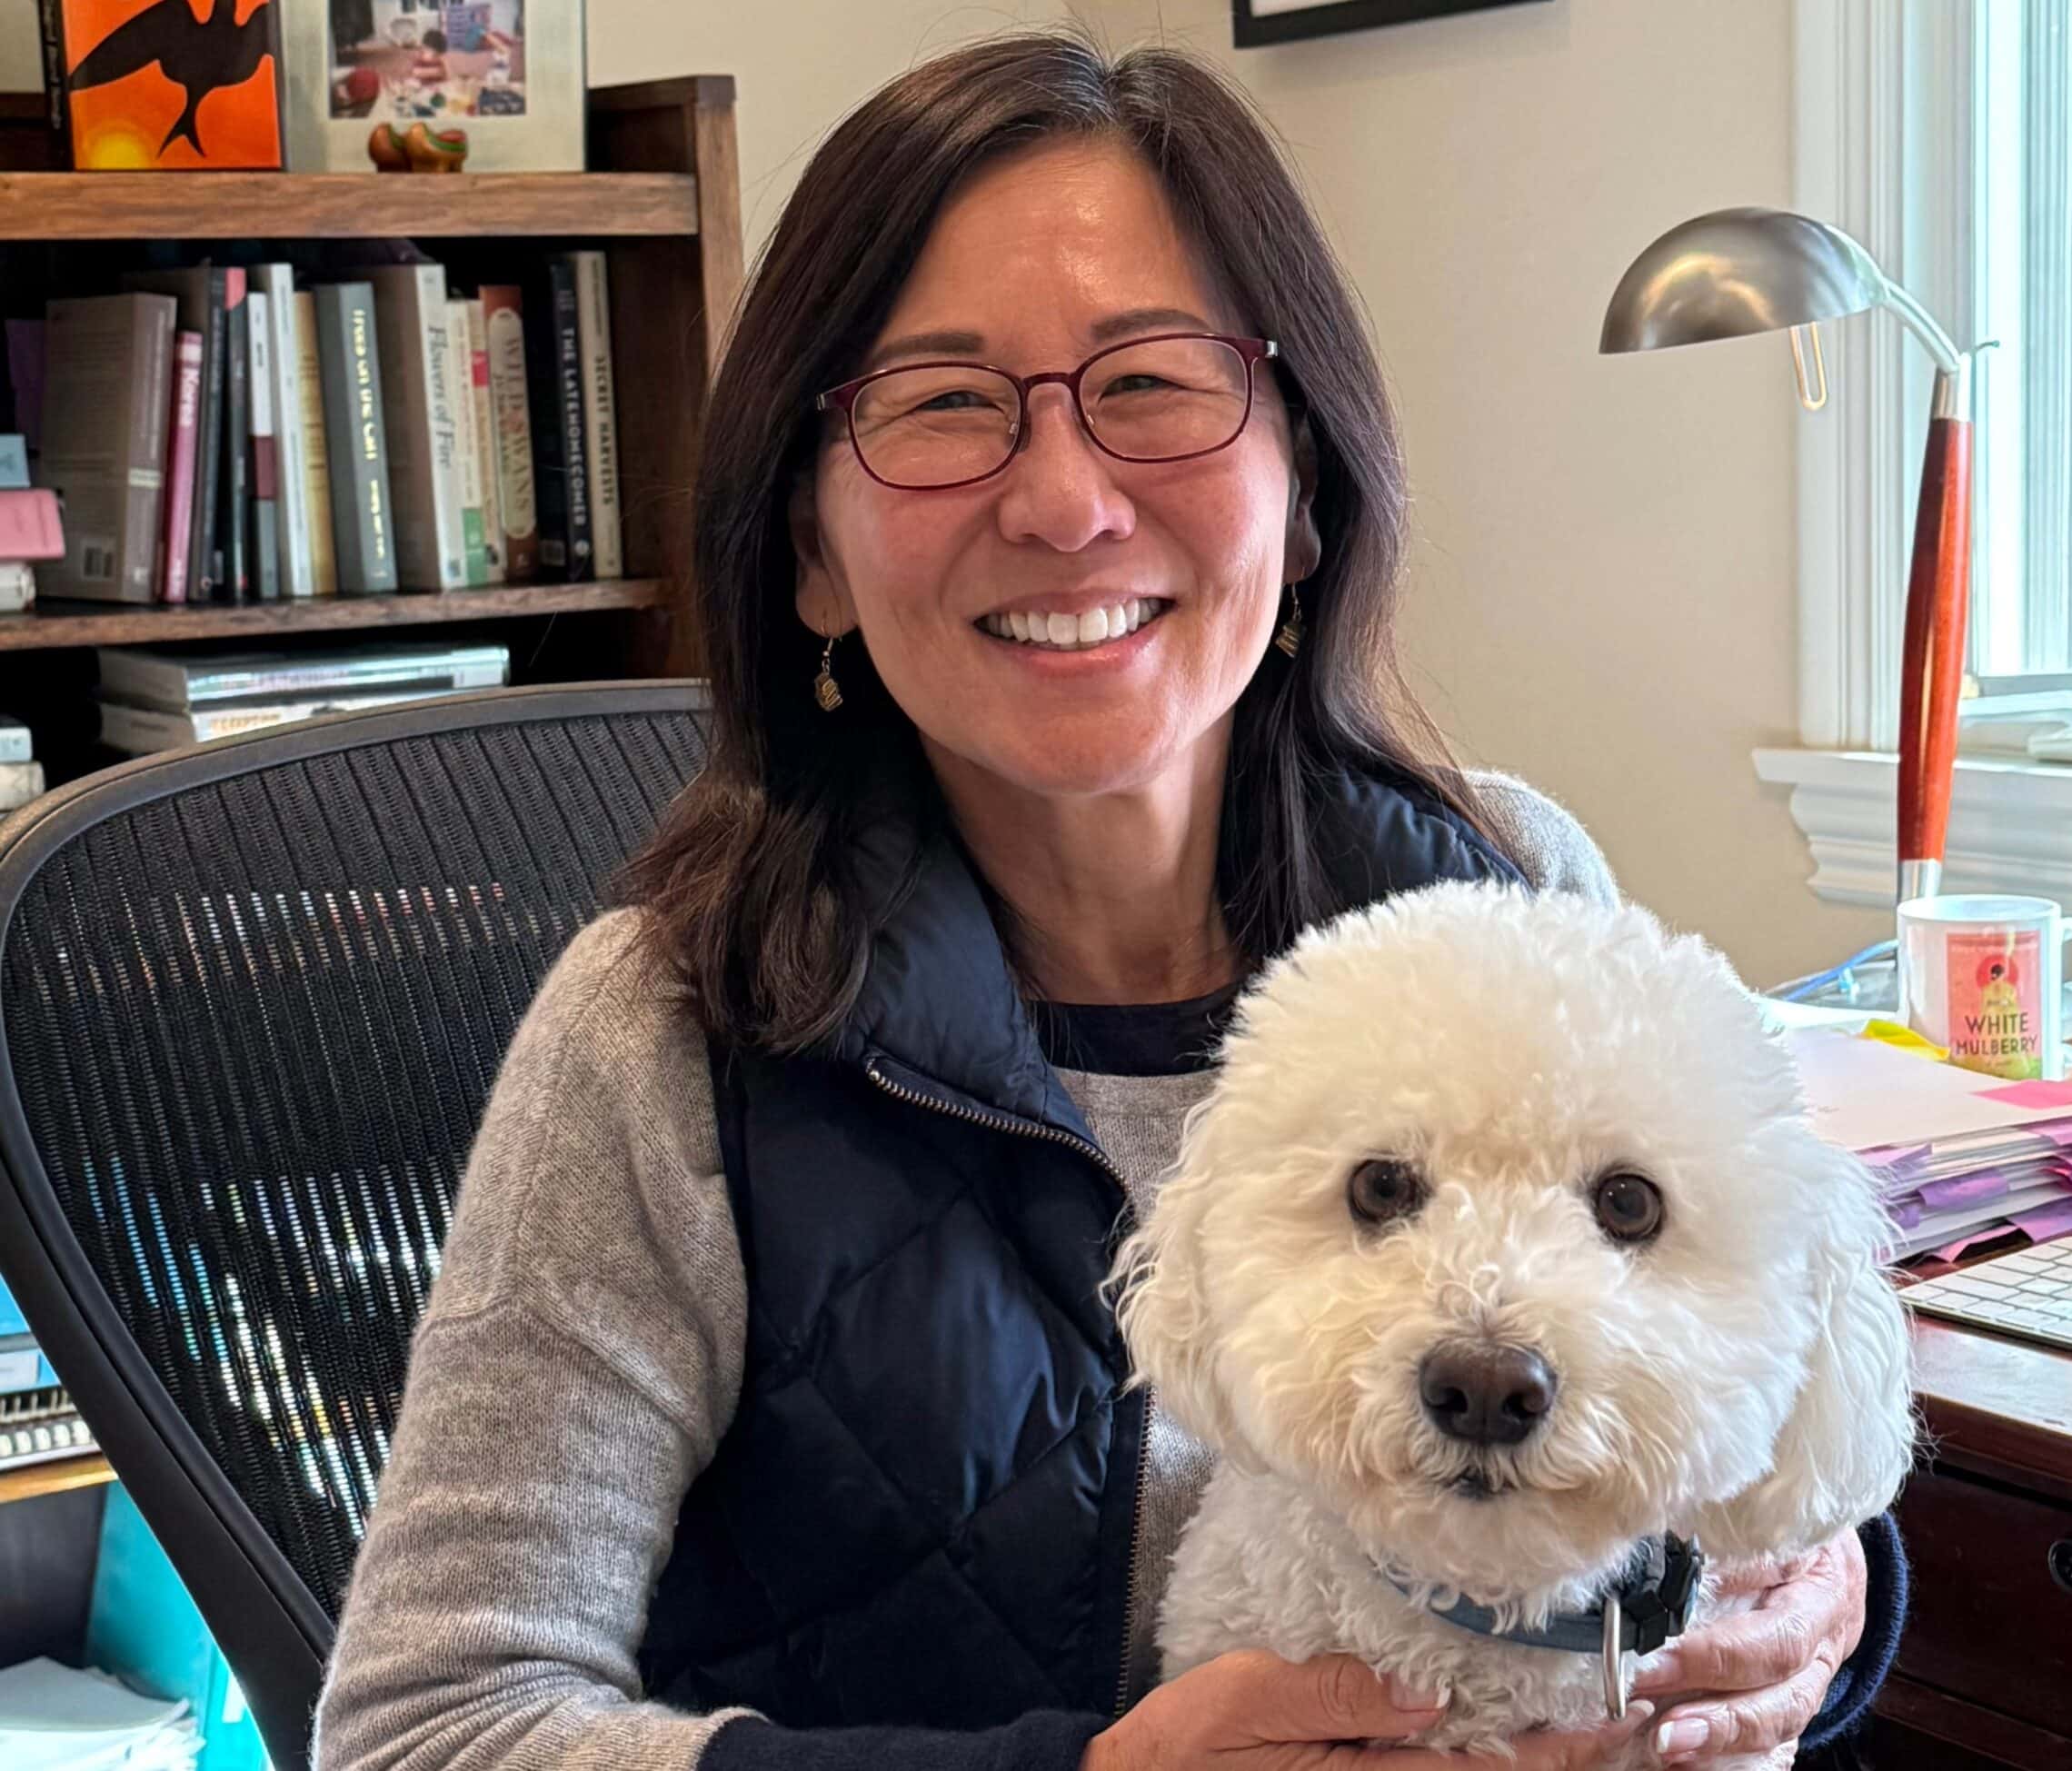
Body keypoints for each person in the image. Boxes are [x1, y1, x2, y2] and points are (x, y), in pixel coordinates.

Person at [314, 29, 1905, 1771]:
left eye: (1151, 382)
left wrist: (1814, 1593)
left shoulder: (1505, 879)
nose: (1066, 504)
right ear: (813, 551)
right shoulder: (667, 1030)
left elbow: (1712, 1388)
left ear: (1304, 490)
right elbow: (424, 1730)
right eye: (942, 403)